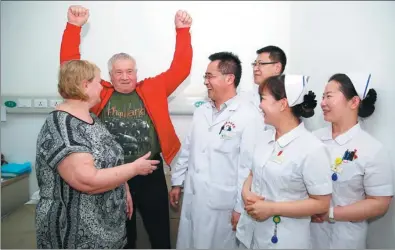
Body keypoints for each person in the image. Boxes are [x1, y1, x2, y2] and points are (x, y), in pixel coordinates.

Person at [60, 5, 193, 249]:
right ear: (109, 75)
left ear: (136, 72)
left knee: (160, 233)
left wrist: (182, 31)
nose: (124, 77)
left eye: (129, 71)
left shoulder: (153, 88)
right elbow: (71, 70)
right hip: (113, 176)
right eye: (118, 72)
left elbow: (181, 68)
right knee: (123, 236)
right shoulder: (97, 92)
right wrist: (74, 27)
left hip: (150, 172)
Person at [35, 60, 159, 249]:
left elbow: (108, 160)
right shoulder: (63, 128)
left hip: (107, 232)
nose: (102, 86)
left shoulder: (91, 118)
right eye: (98, 82)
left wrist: (123, 186)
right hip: (75, 234)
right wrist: (134, 168)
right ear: (85, 85)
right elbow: (87, 181)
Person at [169, 52, 263, 249]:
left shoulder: (248, 115)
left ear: (229, 79)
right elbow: (188, 148)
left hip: (222, 205)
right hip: (194, 198)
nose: (206, 82)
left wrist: (240, 207)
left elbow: (247, 168)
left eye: (209, 76)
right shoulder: (202, 111)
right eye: (206, 76)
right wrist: (177, 182)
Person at [236, 75, 333, 249]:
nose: (260, 105)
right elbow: (253, 172)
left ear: (282, 104)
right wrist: (245, 192)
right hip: (251, 234)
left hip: (284, 240)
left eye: (263, 99)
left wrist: (272, 208)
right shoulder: (265, 138)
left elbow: (321, 203)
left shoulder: (312, 149)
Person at [310, 73, 394, 249]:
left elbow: (380, 203)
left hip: (345, 239)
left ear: (354, 102)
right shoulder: (311, 140)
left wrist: (330, 213)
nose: (322, 103)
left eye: (329, 96)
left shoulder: (372, 149)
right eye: (323, 96)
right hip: (305, 236)